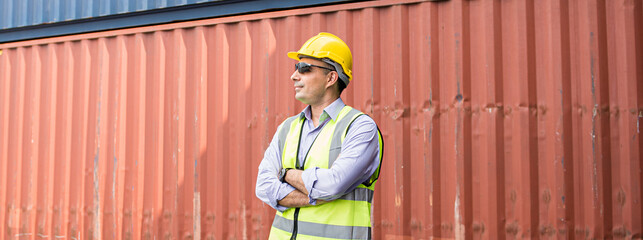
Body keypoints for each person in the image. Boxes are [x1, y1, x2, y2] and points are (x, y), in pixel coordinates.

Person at [255, 32, 383, 240]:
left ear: (331, 78)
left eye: (304, 69)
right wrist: (315, 195)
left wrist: (285, 174)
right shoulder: (287, 128)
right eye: (296, 68)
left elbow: (331, 186)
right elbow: (263, 187)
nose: (294, 76)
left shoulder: (360, 128)